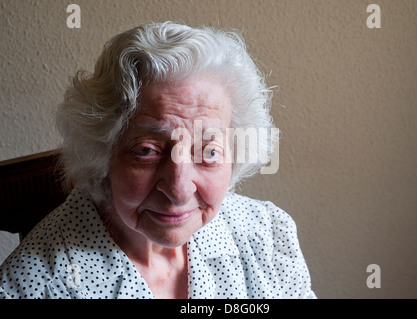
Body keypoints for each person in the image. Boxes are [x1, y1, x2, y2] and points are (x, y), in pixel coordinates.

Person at [0, 21, 316, 299]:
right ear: (102, 154)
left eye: (209, 153)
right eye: (147, 151)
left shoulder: (267, 237)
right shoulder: (36, 284)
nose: (178, 190)